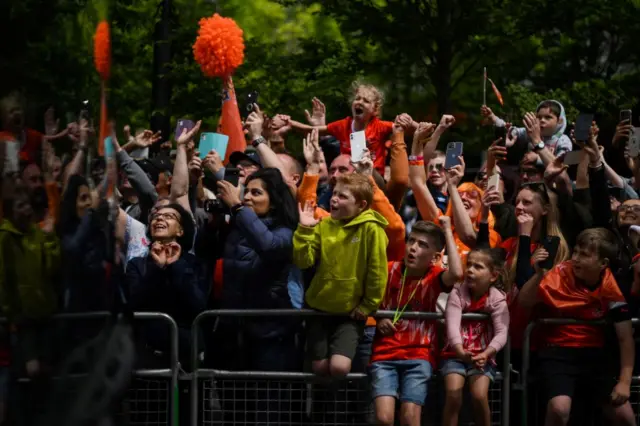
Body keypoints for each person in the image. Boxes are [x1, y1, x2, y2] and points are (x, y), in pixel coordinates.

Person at [519, 228, 635, 426]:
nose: (576, 259)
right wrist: (539, 275)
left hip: (594, 357)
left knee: (625, 417)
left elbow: (625, 337)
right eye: (576, 252)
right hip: (557, 354)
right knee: (559, 408)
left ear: (603, 264)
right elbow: (524, 301)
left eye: (585, 255)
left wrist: (624, 382)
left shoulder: (610, 286)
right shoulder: (559, 274)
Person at [293, 172, 388, 377]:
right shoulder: (324, 224)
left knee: (340, 367)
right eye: (334, 193)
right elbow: (303, 261)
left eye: (343, 196)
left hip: (350, 313)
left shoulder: (372, 229)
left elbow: (377, 272)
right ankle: (323, 409)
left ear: (361, 205)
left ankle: (338, 407)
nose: (334, 199)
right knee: (318, 368)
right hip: (319, 309)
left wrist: (368, 305)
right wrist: (304, 230)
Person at [369, 218, 463, 426]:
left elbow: (457, 273)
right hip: (384, 354)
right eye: (411, 241)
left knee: (410, 418)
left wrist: (448, 230)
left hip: (419, 355)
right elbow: (364, 301)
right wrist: (378, 317)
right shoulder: (388, 269)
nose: (413, 248)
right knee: (384, 419)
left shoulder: (434, 276)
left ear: (435, 257)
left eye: (422, 245)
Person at [211, 167, 301, 371]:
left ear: (275, 202)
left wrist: (236, 206)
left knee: (267, 398)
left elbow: (268, 245)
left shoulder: (286, 233)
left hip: (270, 333)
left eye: (256, 193)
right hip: (234, 332)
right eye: (247, 192)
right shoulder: (237, 229)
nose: (247, 198)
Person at [273, 83, 417, 175]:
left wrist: (410, 122)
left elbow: (407, 129)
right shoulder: (343, 125)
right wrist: (291, 123)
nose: (359, 102)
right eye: (357, 99)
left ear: (374, 110)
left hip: (373, 177)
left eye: (366, 101)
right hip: (347, 177)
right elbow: (313, 130)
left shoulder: (379, 126)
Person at [126, 203, 205, 367]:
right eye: (156, 217)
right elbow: (134, 303)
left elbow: (197, 305)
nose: (159, 218)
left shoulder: (194, 264)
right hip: (147, 352)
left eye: (169, 216)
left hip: (185, 352)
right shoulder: (137, 265)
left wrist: (176, 265)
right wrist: (158, 267)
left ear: (180, 231)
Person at [441, 247, 509, 426]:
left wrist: (487, 353)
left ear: (493, 276)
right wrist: (459, 351)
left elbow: (502, 332)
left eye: (478, 267)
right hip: (455, 354)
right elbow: (452, 325)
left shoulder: (497, 299)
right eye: (469, 265)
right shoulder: (457, 293)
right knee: (453, 395)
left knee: (479, 396)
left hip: (482, 356)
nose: (470, 270)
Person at [0, 182, 59, 378]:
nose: (26, 210)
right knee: (29, 370)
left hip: (45, 313)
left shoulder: (37, 234)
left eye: (27, 205)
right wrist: (10, 314)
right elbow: (3, 280)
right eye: (20, 206)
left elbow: (52, 268)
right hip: (22, 319)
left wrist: (50, 239)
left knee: (47, 369)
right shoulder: (5, 238)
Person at [482, 100, 572, 167]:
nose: (542, 120)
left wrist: (537, 159)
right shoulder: (529, 132)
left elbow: (562, 165)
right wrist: (493, 118)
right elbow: (509, 129)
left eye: (548, 117)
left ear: (560, 121)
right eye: (539, 117)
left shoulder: (563, 140)